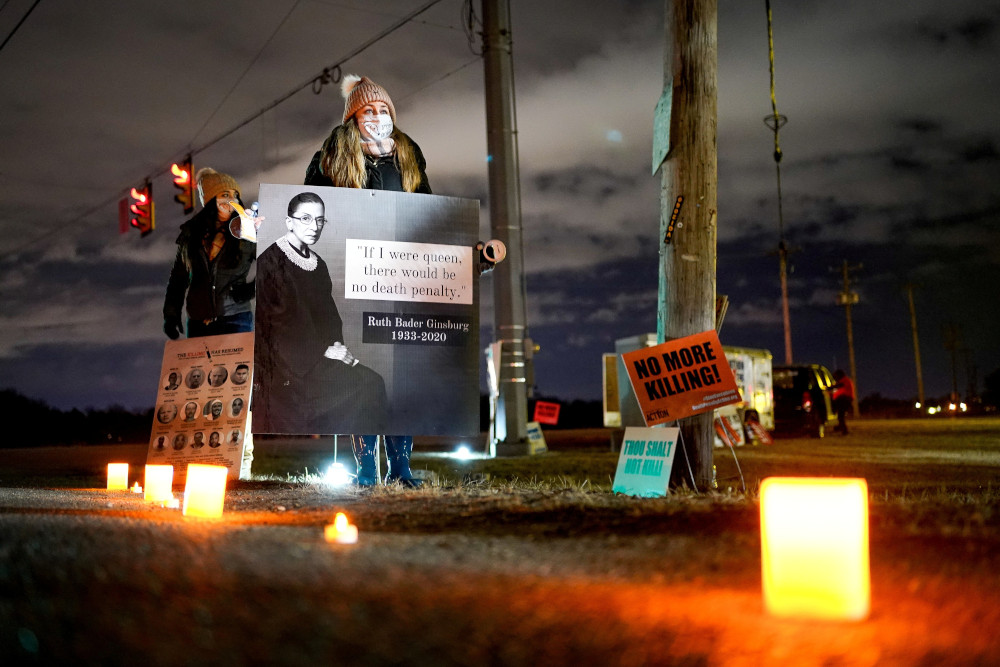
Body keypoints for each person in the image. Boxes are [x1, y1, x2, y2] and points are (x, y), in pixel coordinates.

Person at [303, 74, 432, 487]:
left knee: (400, 377)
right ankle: (365, 467)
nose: (376, 116)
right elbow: (312, 211)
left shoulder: (409, 158)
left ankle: (402, 467)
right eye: (367, 110)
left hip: (401, 278)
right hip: (353, 280)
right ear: (352, 117)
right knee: (363, 373)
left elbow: (429, 212)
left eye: (383, 110)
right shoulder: (329, 157)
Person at [254, 192, 389, 438]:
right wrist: (323, 351)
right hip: (288, 364)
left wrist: (338, 348)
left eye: (319, 220)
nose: (314, 227)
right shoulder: (270, 262)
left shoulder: (319, 264)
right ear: (289, 222)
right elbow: (276, 324)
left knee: (373, 381)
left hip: (319, 356)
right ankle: (347, 458)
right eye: (305, 218)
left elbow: (329, 317)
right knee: (366, 385)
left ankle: (362, 460)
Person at [163, 168, 256, 339]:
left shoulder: (247, 231)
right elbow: (178, 279)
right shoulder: (191, 234)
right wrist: (171, 315)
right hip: (199, 322)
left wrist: (251, 290)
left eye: (235, 195)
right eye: (225, 195)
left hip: (235, 318)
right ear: (211, 199)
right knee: (199, 367)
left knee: (237, 367)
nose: (231, 200)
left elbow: (274, 266)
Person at [832, 369, 855, 435]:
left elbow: (838, 386)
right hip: (845, 399)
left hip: (845, 400)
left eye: (835, 376)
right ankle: (839, 427)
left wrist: (828, 387)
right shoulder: (846, 380)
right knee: (840, 414)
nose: (835, 378)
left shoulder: (844, 380)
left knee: (840, 416)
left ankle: (844, 430)